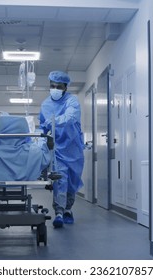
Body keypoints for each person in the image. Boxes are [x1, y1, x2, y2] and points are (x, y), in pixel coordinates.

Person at [39, 71, 84, 228]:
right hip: (57, 147)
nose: (55, 89)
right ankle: (59, 212)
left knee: (72, 180)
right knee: (60, 178)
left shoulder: (72, 101)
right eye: (52, 86)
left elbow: (70, 118)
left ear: (65, 87)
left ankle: (68, 210)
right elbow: (42, 126)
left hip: (73, 147)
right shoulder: (45, 104)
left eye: (58, 86)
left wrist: (52, 121)